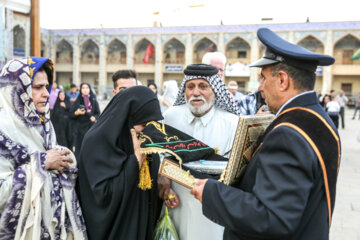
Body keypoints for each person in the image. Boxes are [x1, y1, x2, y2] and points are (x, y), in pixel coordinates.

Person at [191, 28, 341, 239]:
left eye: (263, 78)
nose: (260, 87)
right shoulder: (318, 119)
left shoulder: (288, 134)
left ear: (282, 80)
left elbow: (272, 217)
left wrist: (211, 193)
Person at [0, 57, 87, 239]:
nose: (46, 93)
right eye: (37, 87)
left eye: (46, 86)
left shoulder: (43, 124)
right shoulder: (3, 129)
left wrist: (64, 158)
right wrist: (40, 163)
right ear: (16, 89)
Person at [162, 64, 240, 240]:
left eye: (203, 86)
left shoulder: (232, 122)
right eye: (190, 87)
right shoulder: (170, 117)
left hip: (214, 206)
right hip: (176, 201)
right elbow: (160, 155)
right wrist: (164, 178)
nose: (196, 93)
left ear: (215, 90)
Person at [76, 86, 164, 240]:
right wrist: (135, 161)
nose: (149, 131)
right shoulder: (96, 141)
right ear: (127, 118)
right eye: (144, 125)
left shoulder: (145, 140)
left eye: (154, 125)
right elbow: (101, 197)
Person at [70, 82, 100, 158]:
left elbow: (98, 112)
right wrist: (77, 112)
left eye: (87, 88)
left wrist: (95, 117)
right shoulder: (78, 99)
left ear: (90, 89)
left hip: (91, 127)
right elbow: (71, 114)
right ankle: (79, 165)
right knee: (80, 148)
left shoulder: (93, 99)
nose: (85, 90)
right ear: (80, 90)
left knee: (91, 147)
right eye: (83, 88)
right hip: (80, 128)